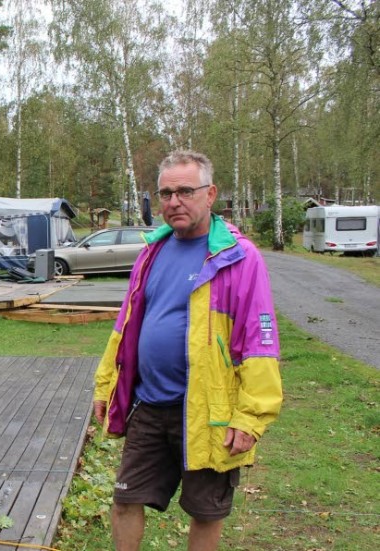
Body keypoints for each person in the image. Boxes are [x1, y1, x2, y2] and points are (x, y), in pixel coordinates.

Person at [92, 150, 283, 551]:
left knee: (205, 512)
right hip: (149, 406)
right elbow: (125, 328)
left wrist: (250, 417)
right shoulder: (151, 253)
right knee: (126, 500)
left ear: (210, 194)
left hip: (209, 412)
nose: (173, 201)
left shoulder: (237, 257)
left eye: (184, 191)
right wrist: (105, 385)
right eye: (165, 193)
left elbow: (260, 339)